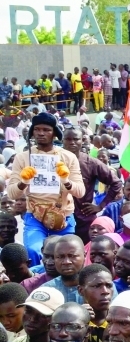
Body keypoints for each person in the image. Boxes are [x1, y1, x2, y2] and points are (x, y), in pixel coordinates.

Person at [7, 112, 86, 264]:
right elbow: (12, 193)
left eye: (46, 130)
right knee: (33, 251)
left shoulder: (68, 157)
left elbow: (80, 192)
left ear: (54, 133)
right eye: (37, 129)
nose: (41, 133)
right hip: (35, 216)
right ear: (32, 132)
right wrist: (23, 182)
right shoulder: (22, 157)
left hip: (63, 216)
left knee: (67, 257)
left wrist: (66, 181)